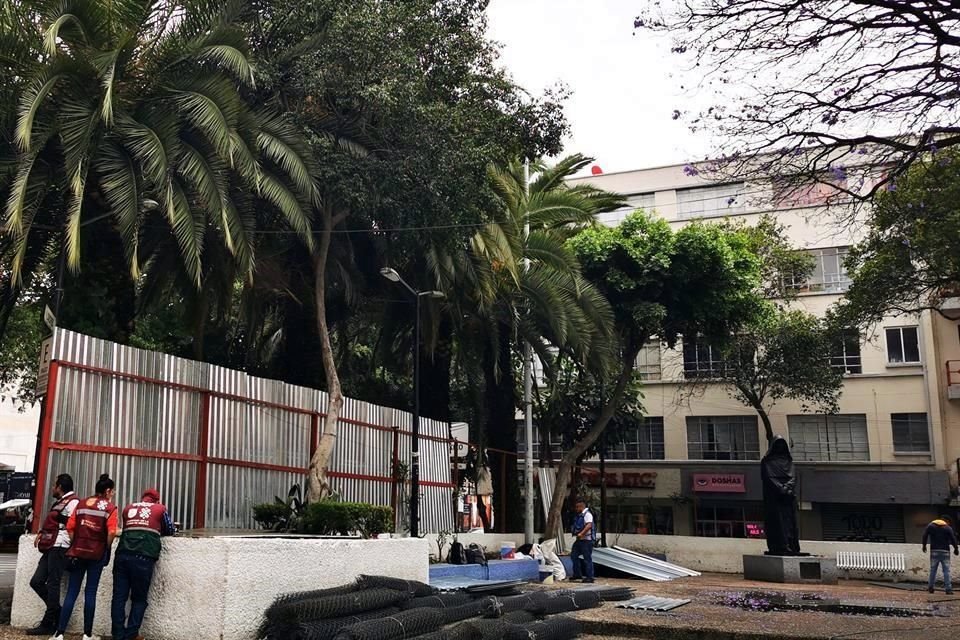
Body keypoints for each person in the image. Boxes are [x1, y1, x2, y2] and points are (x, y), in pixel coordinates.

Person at [52, 473, 118, 640]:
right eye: (113, 492)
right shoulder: (110, 508)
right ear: (108, 491)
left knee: (71, 592)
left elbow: (70, 528)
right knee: (90, 593)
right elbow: (111, 533)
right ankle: (87, 635)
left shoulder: (81, 504)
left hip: (78, 552)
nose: (113, 494)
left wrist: (76, 544)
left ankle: (59, 633)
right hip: (96, 555)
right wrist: (106, 548)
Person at [111, 488, 175, 640]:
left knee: (119, 598)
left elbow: (127, 527)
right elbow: (170, 529)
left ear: (143, 498)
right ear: (156, 500)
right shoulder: (160, 509)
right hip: (143, 557)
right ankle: (131, 634)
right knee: (139, 599)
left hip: (122, 554)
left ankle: (118, 635)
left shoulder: (129, 508)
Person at [26, 474, 80, 636]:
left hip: (61, 546)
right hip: (51, 545)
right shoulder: (59, 502)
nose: (52, 488)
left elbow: (72, 523)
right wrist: (42, 532)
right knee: (36, 581)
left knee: (53, 584)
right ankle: (58, 612)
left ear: (60, 487)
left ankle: (48, 623)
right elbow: (53, 521)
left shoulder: (73, 502)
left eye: (54, 486)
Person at [761, 436, 801, 556]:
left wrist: (788, 488)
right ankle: (780, 546)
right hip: (776, 498)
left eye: (782, 445)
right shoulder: (767, 462)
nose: (780, 447)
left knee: (791, 523)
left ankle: (792, 545)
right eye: (777, 445)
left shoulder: (789, 462)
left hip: (788, 497)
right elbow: (768, 477)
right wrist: (781, 489)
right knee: (777, 522)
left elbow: (793, 477)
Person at [922, 515, 959, 594]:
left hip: (934, 551)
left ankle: (931, 588)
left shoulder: (931, 525)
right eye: (949, 522)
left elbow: (925, 535)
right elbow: (953, 539)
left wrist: (924, 546)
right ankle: (948, 589)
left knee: (933, 570)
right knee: (946, 571)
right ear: (946, 521)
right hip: (945, 552)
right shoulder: (948, 528)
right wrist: (956, 549)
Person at [569, 499, 595, 583]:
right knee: (574, 555)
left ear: (582, 506)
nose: (576, 509)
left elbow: (589, 525)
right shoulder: (580, 515)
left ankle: (590, 577)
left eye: (577, 507)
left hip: (586, 541)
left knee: (587, 558)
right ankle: (577, 574)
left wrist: (581, 534)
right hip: (580, 540)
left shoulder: (587, 514)